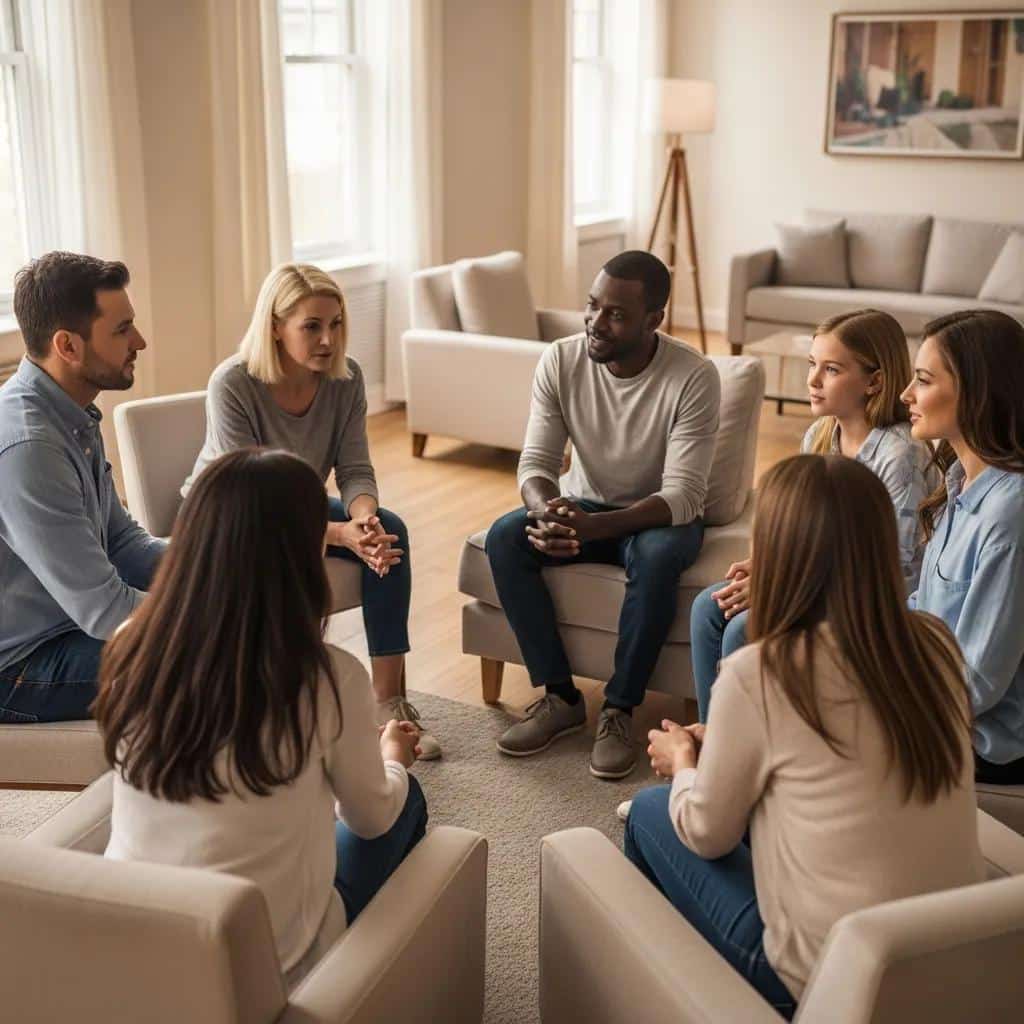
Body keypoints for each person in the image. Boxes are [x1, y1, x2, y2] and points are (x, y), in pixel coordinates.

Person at [625, 454, 983, 1017]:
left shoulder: (762, 671)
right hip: (947, 960)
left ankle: (672, 995)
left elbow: (708, 834)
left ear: (778, 552)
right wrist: (723, 739)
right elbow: (845, 747)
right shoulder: (936, 643)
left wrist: (683, 762)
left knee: (652, 812)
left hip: (825, 980)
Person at [97, 449, 426, 987]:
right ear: (297, 553)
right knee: (403, 799)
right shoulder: (327, 675)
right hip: (270, 964)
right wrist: (393, 760)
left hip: (135, 940)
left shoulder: (132, 645)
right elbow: (370, 819)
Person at [183, 263, 439, 758]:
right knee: (325, 538)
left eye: (335, 323)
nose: (327, 339)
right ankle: (280, 704)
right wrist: (340, 535)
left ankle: (389, 702)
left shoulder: (346, 378)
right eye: (312, 326)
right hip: (231, 516)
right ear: (276, 327)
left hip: (293, 503)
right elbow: (253, 502)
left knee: (391, 531)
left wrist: (363, 518)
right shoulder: (233, 383)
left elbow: (356, 468)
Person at [486, 250, 720, 779]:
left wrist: (595, 528)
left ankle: (618, 709)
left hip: (659, 516)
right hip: (585, 505)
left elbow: (683, 495)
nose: (595, 322)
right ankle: (561, 697)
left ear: (653, 320)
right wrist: (549, 514)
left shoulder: (694, 376)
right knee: (505, 537)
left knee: (658, 557)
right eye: (592, 306)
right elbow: (536, 464)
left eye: (616, 314)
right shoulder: (561, 360)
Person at [689, 309, 934, 721]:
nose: (813, 380)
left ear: (874, 381)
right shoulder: (820, 435)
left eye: (832, 369)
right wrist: (771, 563)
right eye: (812, 365)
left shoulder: (900, 456)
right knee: (706, 607)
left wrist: (785, 581)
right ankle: (715, 743)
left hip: (868, 604)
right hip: (816, 582)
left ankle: (746, 758)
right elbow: (806, 532)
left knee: (741, 629)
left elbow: (897, 570)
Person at [0, 252, 165, 723]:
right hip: (18, 666)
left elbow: (123, 544)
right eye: (121, 330)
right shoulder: (30, 446)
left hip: (67, 623)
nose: (140, 341)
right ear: (68, 346)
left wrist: (218, 567)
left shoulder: (70, 413)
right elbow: (106, 611)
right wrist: (213, 609)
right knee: (217, 653)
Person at [902, 309, 1024, 784]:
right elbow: (922, 613)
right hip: (937, 704)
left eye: (923, 381)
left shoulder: (1009, 514)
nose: (906, 395)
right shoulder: (958, 483)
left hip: (980, 742)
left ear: (977, 391)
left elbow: (977, 683)